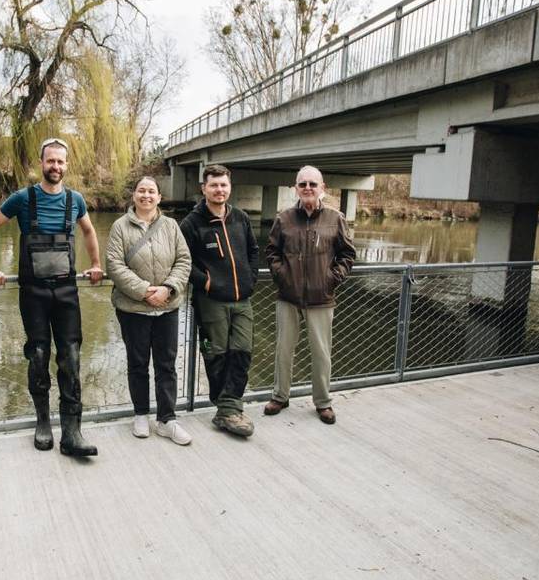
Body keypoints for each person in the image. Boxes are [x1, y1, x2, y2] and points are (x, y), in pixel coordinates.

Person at [0, 137, 104, 457]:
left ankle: (72, 430)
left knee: (71, 356)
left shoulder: (75, 199)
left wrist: (95, 264)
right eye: (51, 161)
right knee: (37, 355)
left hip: (66, 291)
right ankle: (42, 423)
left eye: (61, 162)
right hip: (33, 292)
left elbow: (89, 231)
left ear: (67, 165)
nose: (56, 167)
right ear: (41, 163)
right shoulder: (23, 198)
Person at [264, 166, 358, 424]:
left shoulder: (334, 218)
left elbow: (348, 254)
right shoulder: (284, 218)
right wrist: (282, 275)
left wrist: (332, 278)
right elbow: (271, 252)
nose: (307, 188)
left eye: (312, 184)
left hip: (321, 298)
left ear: (322, 188)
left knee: (321, 353)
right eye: (303, 184)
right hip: (288, 297)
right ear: (296, 188)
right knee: (284, 350)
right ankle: (280, 396)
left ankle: (323, 402)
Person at [106, 176, 193, 445]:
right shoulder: (120, 226)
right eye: (141, 191)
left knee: (167, 365)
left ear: (159, 197)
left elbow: (184, 259)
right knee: (138, 363)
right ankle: (141, 414)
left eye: (151, 191)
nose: (146, 195)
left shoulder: (170, 226)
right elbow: (114, 264)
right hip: (133, 309)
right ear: (134, 196)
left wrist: (167, 288)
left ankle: (167, 419)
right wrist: (145, 291)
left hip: (167, 307)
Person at [179, 163, 259, 437]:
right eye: (214, 185)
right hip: (211, 301)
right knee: (217, 354)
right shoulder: (192, 223)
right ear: (204, 188)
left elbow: (253, 250)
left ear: (230, 187)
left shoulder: (241, 218)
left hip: (242, 299)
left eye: (223, 184)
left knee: (242, 351)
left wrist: (249, 280)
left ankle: (231, 407)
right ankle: (227, 410)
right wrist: (208, 282)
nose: (219, 190)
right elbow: (183, 263)